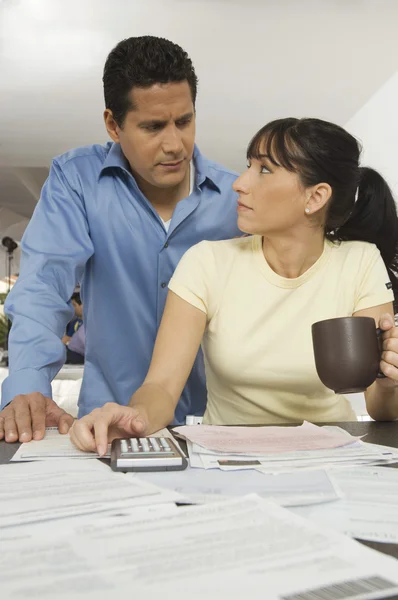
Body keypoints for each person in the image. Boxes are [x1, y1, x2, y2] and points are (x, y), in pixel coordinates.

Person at [70, 117, 398, 456]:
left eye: (265, 170)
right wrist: (136, 418)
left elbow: (380, 407)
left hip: (333, 455)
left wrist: (389, 382)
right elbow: (162, 387)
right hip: (229, 460)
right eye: (248, 166)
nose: (239, 183)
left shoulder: (360, 262)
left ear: (315, 197)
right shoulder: (207, 262)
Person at [0, 36, 240, 444]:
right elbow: (44, 283)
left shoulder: (238, 200)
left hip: (217, 430)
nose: (174, 144)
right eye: (153, 126)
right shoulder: (76, 181)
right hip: (107, 429)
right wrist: (26, 381)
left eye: (184, 121)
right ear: (113, 124)